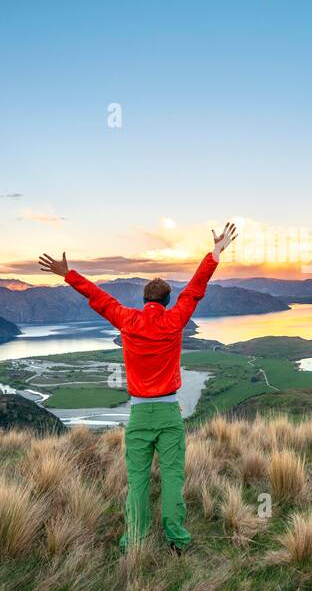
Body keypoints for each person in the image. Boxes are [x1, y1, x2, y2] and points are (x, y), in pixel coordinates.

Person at [38, 223, 238, 553]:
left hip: (140, 414)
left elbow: (98, 298)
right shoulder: (174, 321)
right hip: (169, 412)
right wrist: (215, 252)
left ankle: (135, 537)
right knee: (173, 477)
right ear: (166, 300)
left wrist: (68, 273)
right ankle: (177, 538)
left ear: (144, 299)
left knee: (138, 481)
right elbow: (195, 289)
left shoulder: (128, 320)